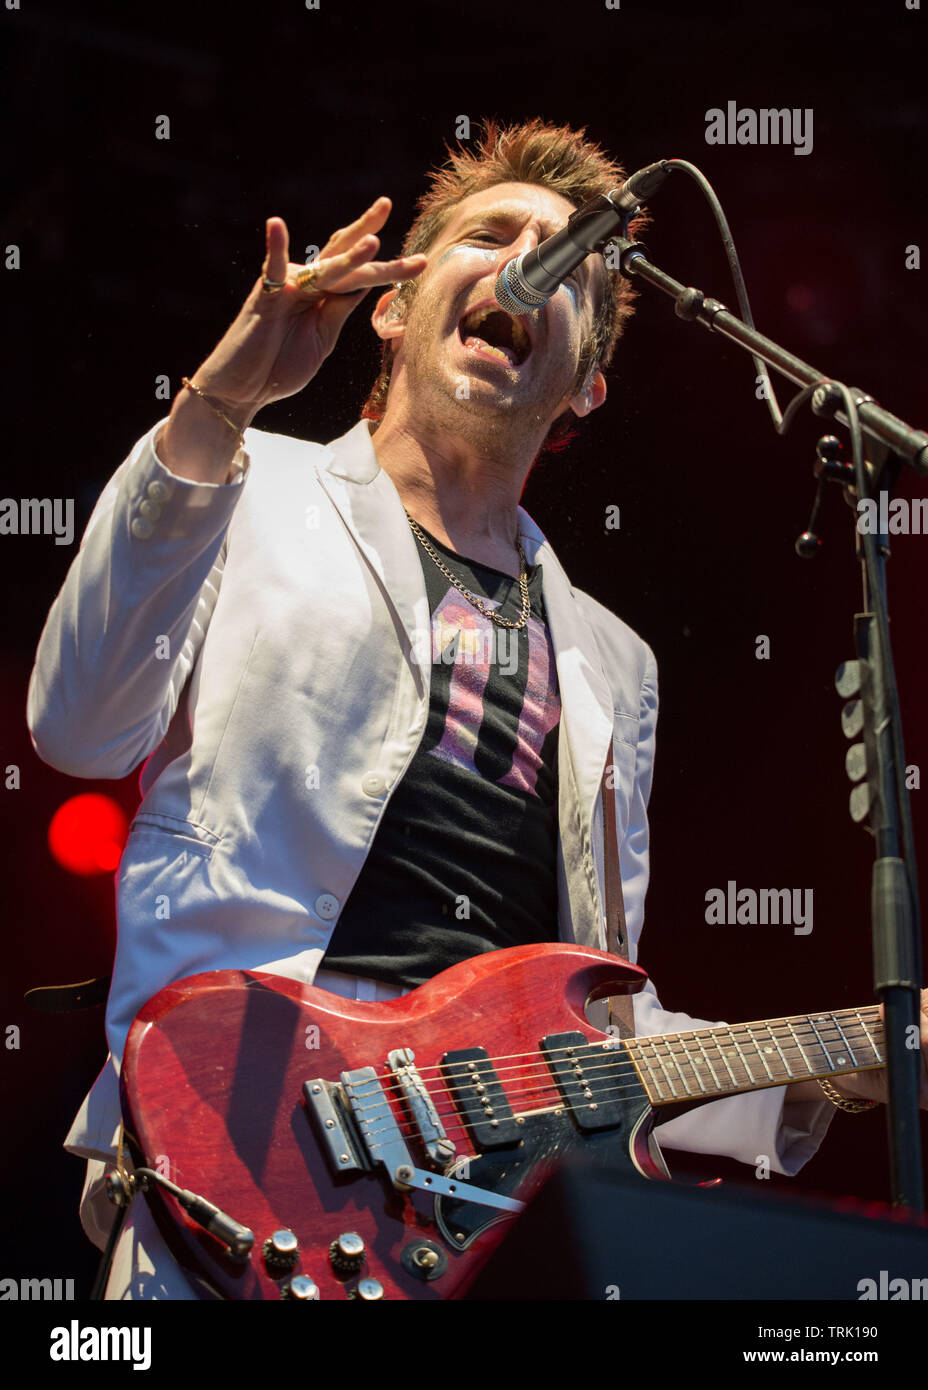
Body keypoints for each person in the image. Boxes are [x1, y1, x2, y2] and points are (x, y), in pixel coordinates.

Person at [26, 119, 925, 1300]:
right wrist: (222, 400)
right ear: (393, 306)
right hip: (236, 1177)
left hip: (485, 1235)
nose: (522, 265)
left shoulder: (614, 661)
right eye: (491, 235)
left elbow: (592, 1029)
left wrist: (835, 1065)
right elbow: (77, 727)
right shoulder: (243, 490)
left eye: (567, 264)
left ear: (587, 385)